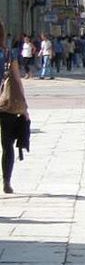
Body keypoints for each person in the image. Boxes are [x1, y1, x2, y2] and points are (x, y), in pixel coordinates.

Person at [0, 21, 29, 194]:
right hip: (6, 102)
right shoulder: (8, 53)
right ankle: (6, 181)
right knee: (7, 145)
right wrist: (24, 107)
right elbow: (17, 80)